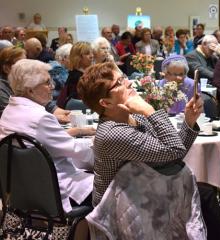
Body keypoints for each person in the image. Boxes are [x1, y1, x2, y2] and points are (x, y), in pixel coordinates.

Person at [77, 61, 204, 208]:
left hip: (141, 197)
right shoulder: (113, 133)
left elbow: (171, 157)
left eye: (123, 77)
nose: (129, 83)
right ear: (105, 103)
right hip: (117, 214)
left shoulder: (134, 117)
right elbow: (174, 150)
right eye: (119, 83)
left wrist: (189, 121)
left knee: (203, 195)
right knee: (202, 197)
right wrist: (150, 111)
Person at [0, 59, 95, 212]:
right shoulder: (40, 117)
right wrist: (97, 142)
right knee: (114, 184)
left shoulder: (9, 111)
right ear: (30, 90)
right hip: (54, 190)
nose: (53, 86)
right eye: (47, 83)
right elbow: (77, 150)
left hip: (23, 189)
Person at [57, 41, 93, 108]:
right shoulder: (76, 77)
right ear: (78, 57)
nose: (92, 56)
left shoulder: (84, 73)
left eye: (92, 53)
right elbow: (76, 103)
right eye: (87, 54)